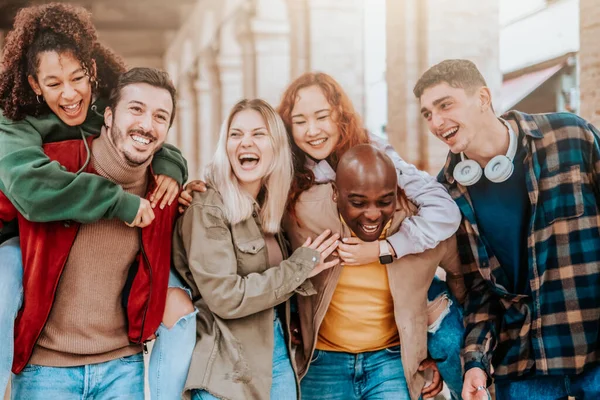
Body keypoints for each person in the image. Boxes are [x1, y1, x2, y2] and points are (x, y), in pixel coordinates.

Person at [0, 4, 195, 398]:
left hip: (118, 363)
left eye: (77, 78)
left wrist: (173, 166)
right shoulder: (14, 120)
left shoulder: (96, 111)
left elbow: (144, 131)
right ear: (35, 85)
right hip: (19, 231)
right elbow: (30, 188)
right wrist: (120, 202)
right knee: (4, 286)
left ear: (90, 69)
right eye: (53, 83)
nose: (69, 94)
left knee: (179, 302)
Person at [415, 59, 600, 400]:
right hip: (522, 363)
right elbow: (478, 292)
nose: (436, 122)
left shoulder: (571, 137)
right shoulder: (448, 193)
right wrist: (474, 362)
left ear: (483, 98)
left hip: (592, 349)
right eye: (427, 113)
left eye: (445, 105)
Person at [277, 72, 466, 399]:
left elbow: (445, 215)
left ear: (340, 115)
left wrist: (386, 247)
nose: (313, 130)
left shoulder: (379, 157)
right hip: (323, 358)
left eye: (322, 116)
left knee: (447, 334)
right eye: (300, 121)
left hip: (389, 358)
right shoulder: (288, 180)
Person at [172, 98, 340, 400]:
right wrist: (298, 268)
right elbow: (225, 297)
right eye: (235, 134)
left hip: (278, 359)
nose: (245, 143)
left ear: (276, 146)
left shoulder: (269, 209)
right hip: (228, 372)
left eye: (258, 134)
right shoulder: (207, 207)